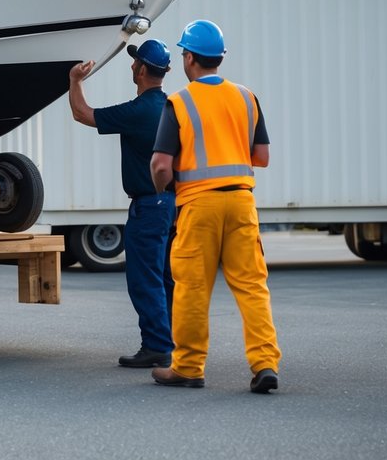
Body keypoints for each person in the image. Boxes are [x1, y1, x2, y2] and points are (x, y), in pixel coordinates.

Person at [149, 20, 280, 393]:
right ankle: (265, 363)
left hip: (198, 206)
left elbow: (161, 165)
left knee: (191, 287)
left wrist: (165, 189)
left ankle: (188, 367)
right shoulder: (246, 97)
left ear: (189, 58)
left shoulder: (179, 102)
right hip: (241, 202)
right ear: (219, 58)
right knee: (252, 287)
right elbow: (262, 156)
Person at [68, 39, 177, 369]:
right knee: (167, 278)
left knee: (144, 279)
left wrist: (75, 81)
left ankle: (157, 346)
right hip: (175, 203)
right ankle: (173, 342)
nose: (131, 66)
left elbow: (82, 113)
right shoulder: (172, 107)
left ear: (142, 70)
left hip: (149, 205)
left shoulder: (139, 111)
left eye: (134, 63)